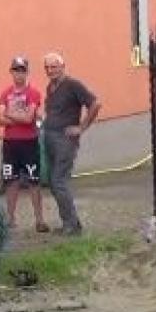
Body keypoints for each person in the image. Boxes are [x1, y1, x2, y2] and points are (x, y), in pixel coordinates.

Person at [41, 52, 102, 236]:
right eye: (47, 67)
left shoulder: (72, 84)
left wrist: (81, 127)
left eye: (54, 66)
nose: (51, 70)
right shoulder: (50, 87)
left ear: (62, 66)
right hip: (50, 138)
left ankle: (71, 226)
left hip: (65, 140)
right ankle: (71, 222)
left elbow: (96, 103)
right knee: (53, 182)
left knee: (59, 181)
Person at [0, 56, 47, 232]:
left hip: (29, 142)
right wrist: (19, 115)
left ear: (27, 72)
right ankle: (10, 219)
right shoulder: (5, 93)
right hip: (10, 143)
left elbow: (28, 119)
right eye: (16, 70)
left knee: (34, 181)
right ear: (11, 72)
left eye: (22, 70)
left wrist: (10, 114)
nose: (19, 74)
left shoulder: (33, 93)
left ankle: (39, 220)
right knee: (11, 182)